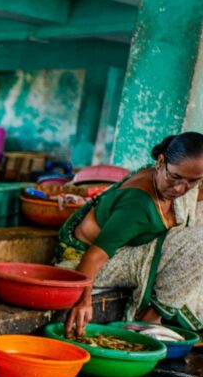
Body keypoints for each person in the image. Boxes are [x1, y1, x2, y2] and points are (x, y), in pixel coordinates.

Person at [56, 132, 203, 336]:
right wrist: (83, 301)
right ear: (161, 161)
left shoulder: (162, 178)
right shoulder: (139, 206)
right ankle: (151, 315)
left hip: (121, 250)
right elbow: (94, 257)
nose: (180, 188)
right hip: (86, 262)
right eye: (175, 177)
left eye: (192, 181)